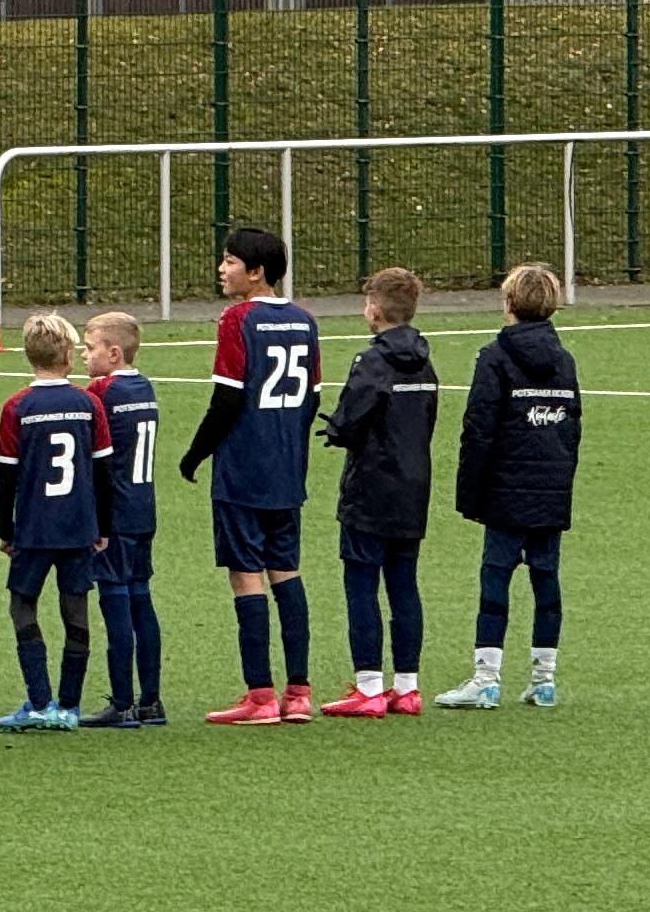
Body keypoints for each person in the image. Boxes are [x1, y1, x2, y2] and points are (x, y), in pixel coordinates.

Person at [178, 224, 325, 727]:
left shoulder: (237, 319)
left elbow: (228, 397)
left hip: (243, 467)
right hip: (287, 469)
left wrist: (196, 454)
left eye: (231, 261)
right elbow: (313, 399)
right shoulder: (305, 321)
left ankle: (260, 695)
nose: (222, 269)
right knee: (286, 569)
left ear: (256, 272)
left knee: (246, 575)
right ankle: (300, 693)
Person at [437, 262, 584, 711]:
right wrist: (560, 481)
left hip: (504, 490)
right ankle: (544, 679)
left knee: (495, 578)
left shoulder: (494, 357)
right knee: (546, 580)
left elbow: (478, 428)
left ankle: (486, 678)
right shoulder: (564, 359)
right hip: (549, 489)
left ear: (508, 305)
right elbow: (572, 428)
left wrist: (469, 493)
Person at [320, 267, 442, 719]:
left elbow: (350, 421)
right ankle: (407, 685)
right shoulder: (426, 362)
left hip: (371, 487)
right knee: (405, 585)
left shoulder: (371, 361)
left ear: (373, 310)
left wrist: (333, 430)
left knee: (361, 585)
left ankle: (369, 686)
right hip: (414, 487)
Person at [0, 310, 104, 732]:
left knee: (23, 604)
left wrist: (7, 529)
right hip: (78, 526)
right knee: (75, 610)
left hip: (34, 528)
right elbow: (102, 470)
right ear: (68, 356)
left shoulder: (17, 407)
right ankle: (70, 706)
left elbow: (7, 475)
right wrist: (102, 527)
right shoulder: (87, 403)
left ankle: (39, 701)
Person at [83, 310, 167, 728]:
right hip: (142, 506)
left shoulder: (101, 392)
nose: (84, 355)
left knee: (115, 602)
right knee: (141, 599)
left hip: (112, 511)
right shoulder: (145, 386)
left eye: (90, 347)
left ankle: (121, 701)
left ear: (113, 353)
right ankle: (151, 700)